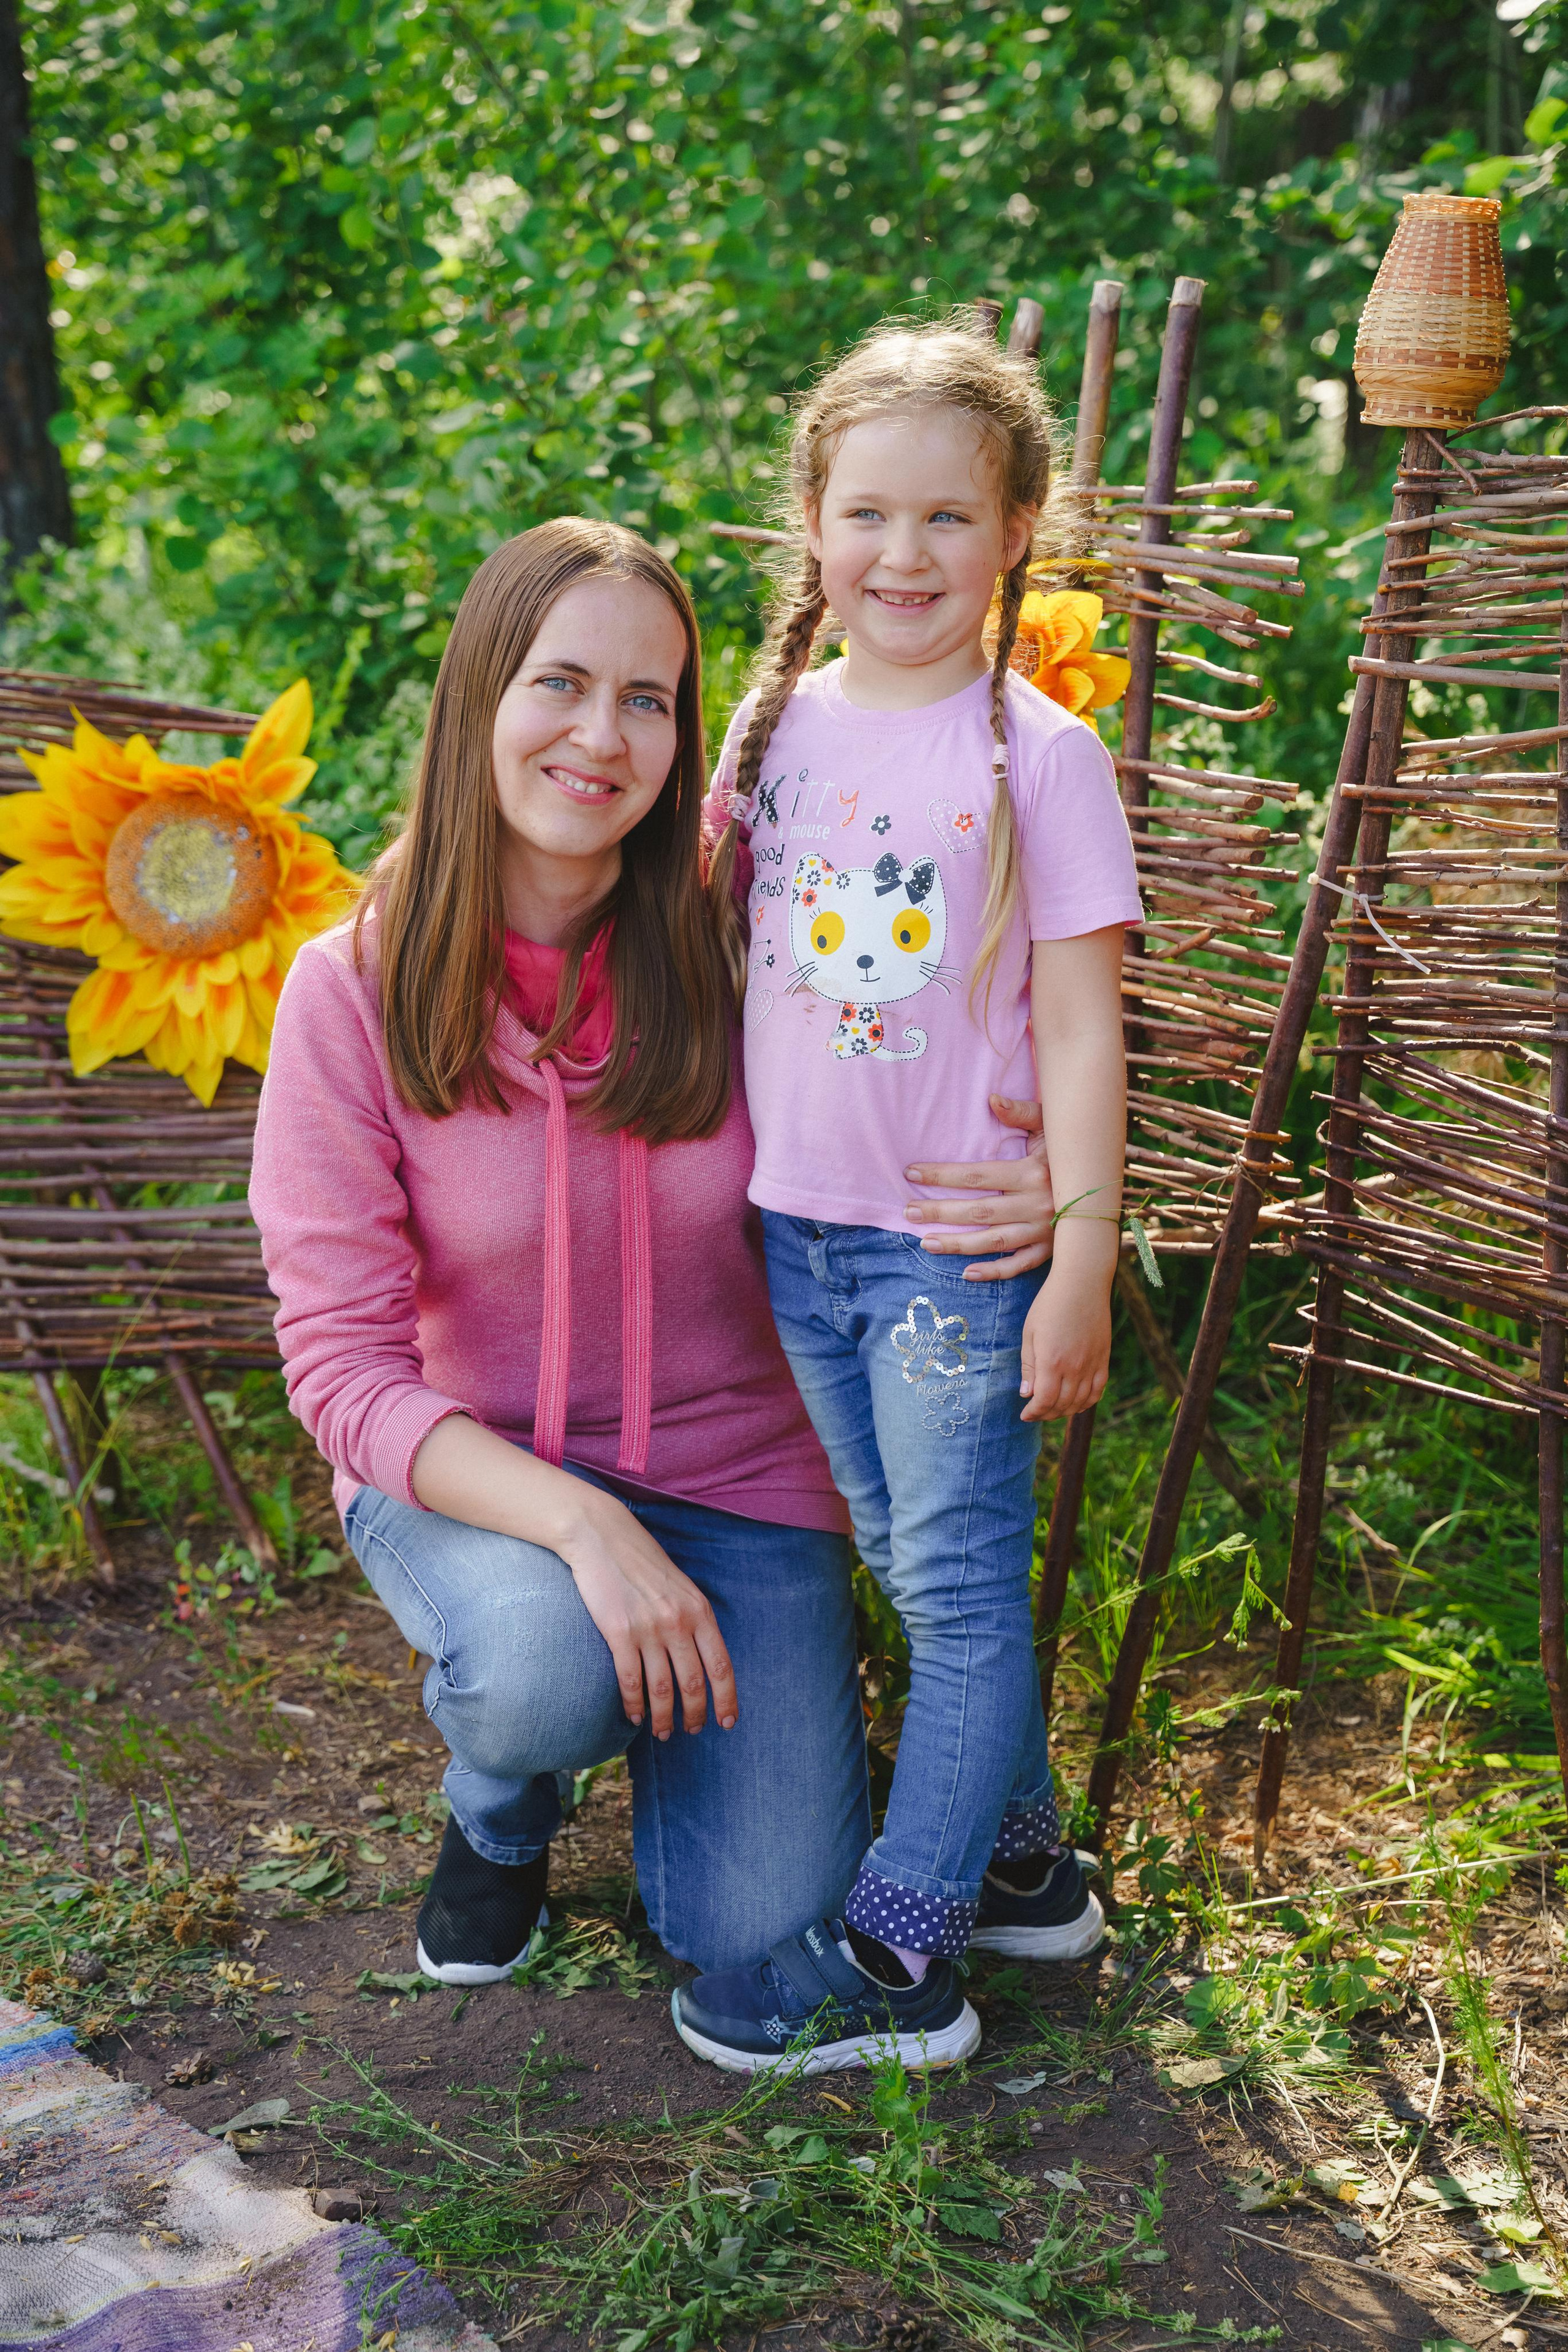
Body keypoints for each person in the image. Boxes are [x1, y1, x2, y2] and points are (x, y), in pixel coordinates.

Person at [248, 515, 1063, 1989]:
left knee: (758, 1934)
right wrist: (579, 1525)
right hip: (480, 1487)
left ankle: (769, 1748)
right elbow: (342, 1373)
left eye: (647, 699)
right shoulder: (349, 988)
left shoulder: (742, 922)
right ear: (479, 696)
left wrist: (1046, 1178)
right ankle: (501, 1815)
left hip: (746, 1484)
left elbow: (944, 1030)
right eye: (559, 683)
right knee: (542, 1671)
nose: (599, 737)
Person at [671, 314, 1140, 2076]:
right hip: (797, 1238)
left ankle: (904, 1950)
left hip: (954, 1251)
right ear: (813, 522)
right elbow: (707, 932)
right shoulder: (777, 725)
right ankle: (1025, 1868)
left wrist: (1081, 1247)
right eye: (867, 514)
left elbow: (1087, 1024)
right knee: (906, 1560)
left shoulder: (1037, 756)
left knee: (952, 1594)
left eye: (948, 518)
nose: (904, 555)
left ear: (1020, 527)